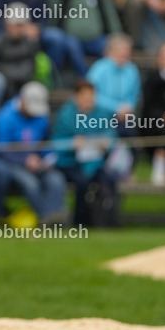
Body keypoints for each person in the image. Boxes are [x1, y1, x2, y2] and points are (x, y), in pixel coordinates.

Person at [0, 82, 68, 226]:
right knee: (30, 183)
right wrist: (24, 160)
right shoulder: (5, 118)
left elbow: (44, 142)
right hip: (13, 164)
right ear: (23, 102)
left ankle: (56, 216)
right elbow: (0, 150)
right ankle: (44, 217)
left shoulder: (41, 117)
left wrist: (47, 158)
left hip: (37, 163)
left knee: (56, 179)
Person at [52, 79, 118, 225]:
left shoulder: (101, 113)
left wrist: (106, 144)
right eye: (85, 97)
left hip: (95, 161)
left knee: (109, 180)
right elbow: (55, 142)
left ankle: (108, 222)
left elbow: (111, 136)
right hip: (70, 162)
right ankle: (80, 222)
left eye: (92, 97)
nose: (89, 100)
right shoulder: (66, 114)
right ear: (77, 96)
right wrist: (72, 143)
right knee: (82, 182)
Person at [86, 34, 141, 130]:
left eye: (127, 49)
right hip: (100, 114)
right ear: (111, 51)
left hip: (125, 115)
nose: (126, 52)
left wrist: (127, 108)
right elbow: (90, 94)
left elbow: (134, 94)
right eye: (122, 49)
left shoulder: (132, 70)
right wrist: (116, 108)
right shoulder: (99, 68)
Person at [0, 4, 42, 107]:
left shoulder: (30, 42)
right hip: (7, 84)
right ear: (7, 24)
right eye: (15, 25)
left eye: (20, 25)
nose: (17, 29)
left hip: (24, 81)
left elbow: (32, 63)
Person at [141, 42, 165, 185]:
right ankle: (159, 169)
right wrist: (162, 115)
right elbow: (149, 106)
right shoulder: (151, 80)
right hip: (154, 123)